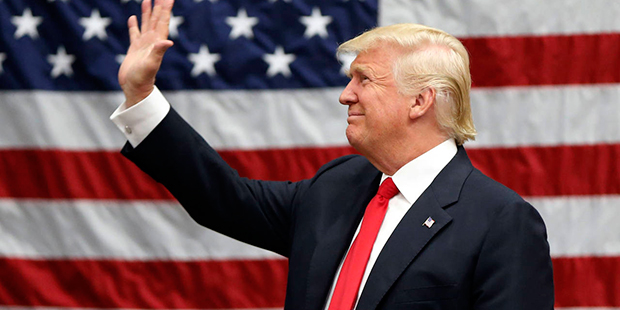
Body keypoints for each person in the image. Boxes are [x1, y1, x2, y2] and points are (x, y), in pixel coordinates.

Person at [110, 0, 554, 309]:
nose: (345, 95)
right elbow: (225, 199)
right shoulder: (338, 186)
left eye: (364, 80)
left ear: (420, 101)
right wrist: (141, 94)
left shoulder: (502, 223)